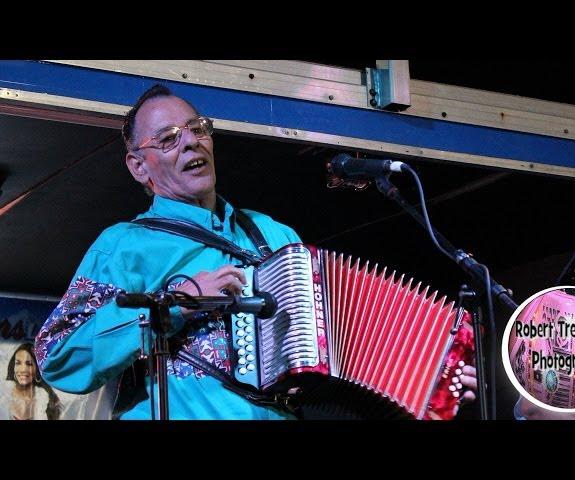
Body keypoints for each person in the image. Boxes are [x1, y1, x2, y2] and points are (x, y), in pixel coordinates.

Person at [34, 84, 476, 420]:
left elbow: (344, 337)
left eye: (197, 129)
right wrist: (174, 303)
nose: (191, 142)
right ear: (137, 165)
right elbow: (57, 355)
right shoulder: (123, 245)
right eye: (168, 138)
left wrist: (433, 372)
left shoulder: (272, 234)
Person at [3, 343, 61, 420]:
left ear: (36, 369)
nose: (23, 369)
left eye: (29, 364)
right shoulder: (4, 393)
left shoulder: (45, 399)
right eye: (18, 363)